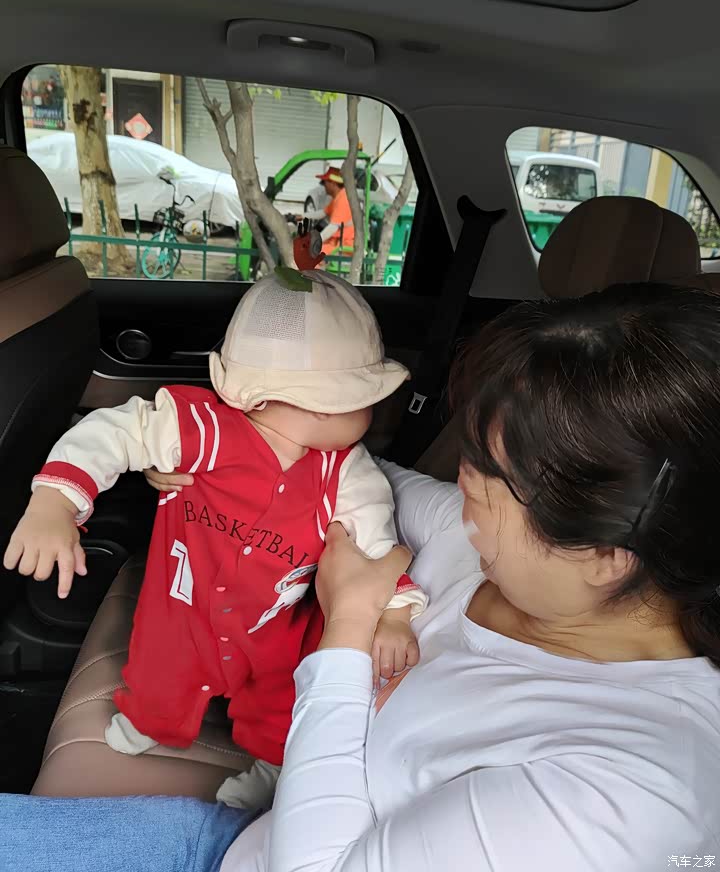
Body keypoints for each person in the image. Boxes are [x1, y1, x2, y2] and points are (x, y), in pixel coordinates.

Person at [4, 281, 720, 872]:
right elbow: (356, 483)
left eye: (492, 472)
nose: (463, 480)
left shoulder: (626, 792)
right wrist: (212, 463)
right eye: (472, 450)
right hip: (239, 837)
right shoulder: (485, 551)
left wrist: (346, 628)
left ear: (605, 554)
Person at [3, 268, 426, 811]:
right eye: (365, 399)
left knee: (279, 698)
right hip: (184, 604)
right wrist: (56, 500)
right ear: (323, 404)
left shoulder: (347, 473)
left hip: (275, 621)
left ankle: (273, 764)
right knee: (161, 671)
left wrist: (395, 615)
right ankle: (150, 722)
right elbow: (115, 432)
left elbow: (375, 546)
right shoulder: (202, 428)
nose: (371, 413)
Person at [304, 166, 355, 255]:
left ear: (333, 183)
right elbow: (323, 212)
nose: (323, 185)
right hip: (337, 242)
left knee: (309, 253)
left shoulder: (343, 199)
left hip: (344, 246)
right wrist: (302, 216)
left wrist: (316, 241)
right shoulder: (338, 197)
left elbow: (333, 227)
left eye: (324, 182)